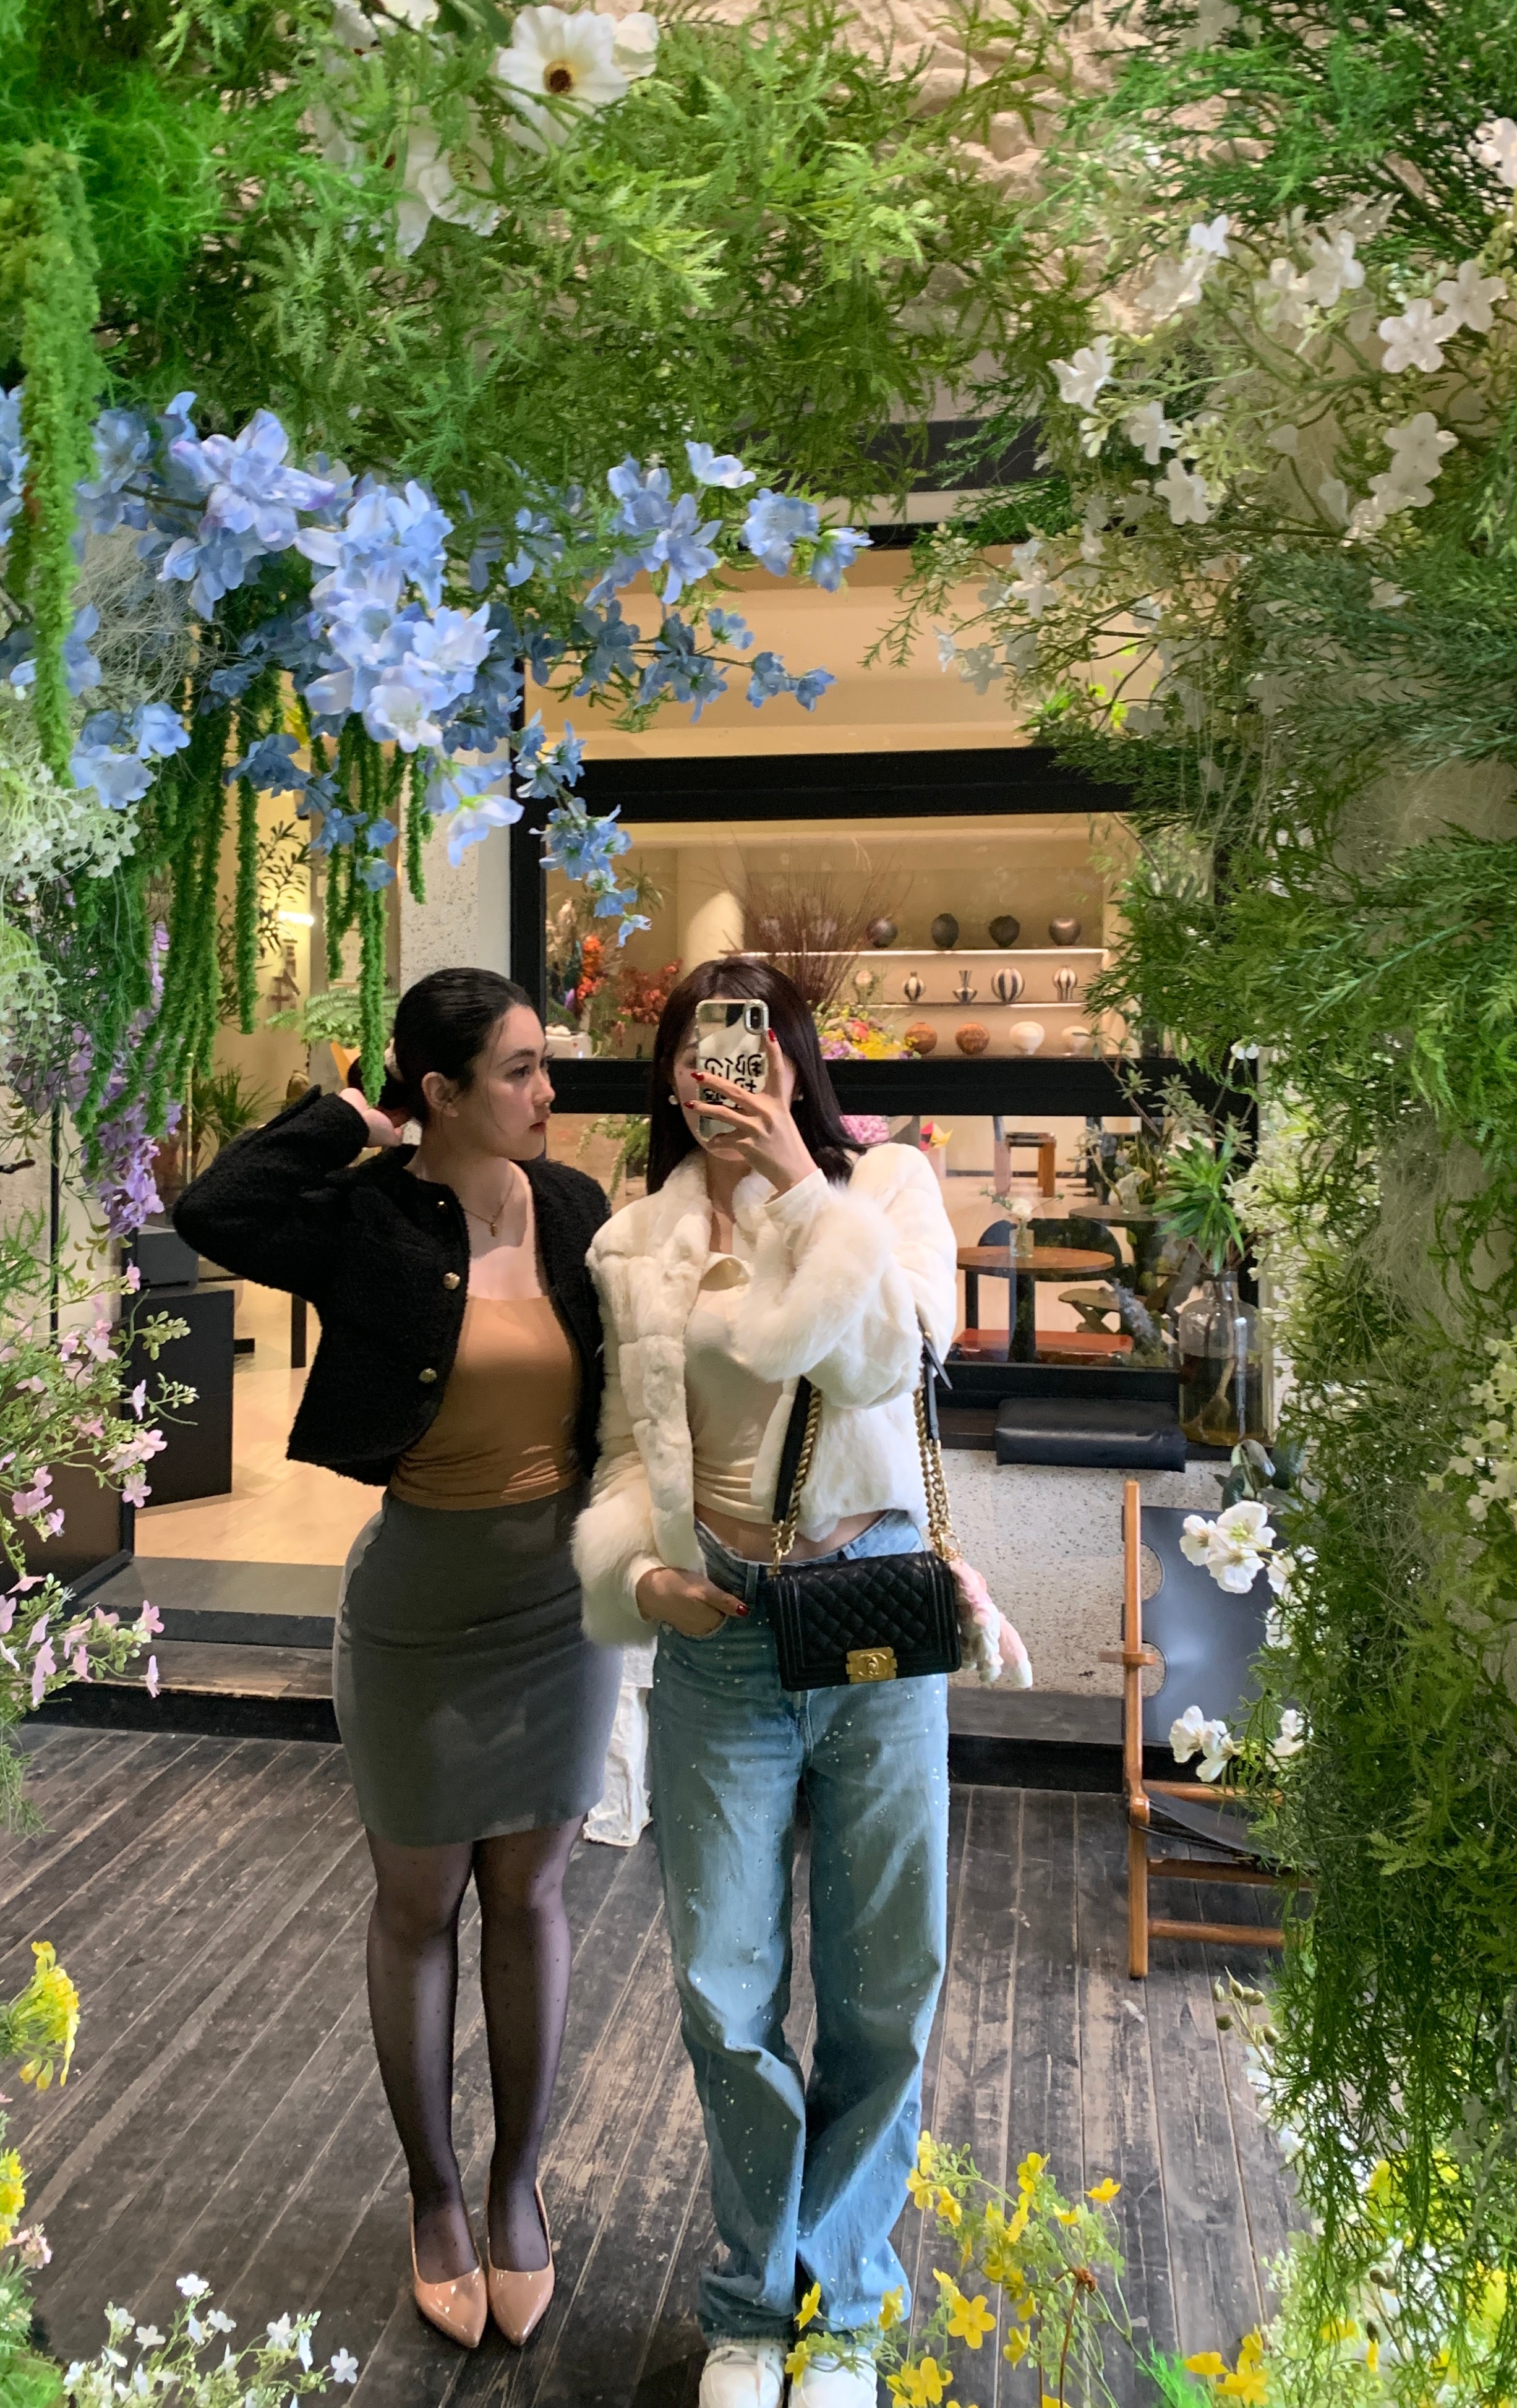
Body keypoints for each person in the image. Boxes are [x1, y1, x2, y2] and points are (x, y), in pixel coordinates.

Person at [172, 967, 618, 2354]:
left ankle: (514, 2185)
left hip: (559, 1608)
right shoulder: (366, 1217)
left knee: (530, 1896)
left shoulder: (574, 1209)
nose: (546, 1091)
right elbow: (212, 1208)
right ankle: (434, 2194)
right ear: (442, 1091)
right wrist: (347, 1121)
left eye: (543, 1064)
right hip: (419, 1609)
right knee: (419, 1906)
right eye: (519, 1069)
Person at [570, 958, 959, 2408]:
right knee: (720, 1990)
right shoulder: (635, 1243)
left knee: (884, 1984)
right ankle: (751, 2304)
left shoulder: (887, 1190)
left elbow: (890, 1361)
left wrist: (800, 1183)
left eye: (746, 1044)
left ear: (791, 1057)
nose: (720, 1072)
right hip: (720, 1629)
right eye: (696, 1048)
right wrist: (637, 1573)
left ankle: (838, 2310)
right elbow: (625, 1448)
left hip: (870, 1620)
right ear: (669, 1074)